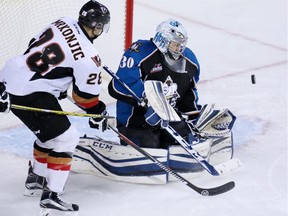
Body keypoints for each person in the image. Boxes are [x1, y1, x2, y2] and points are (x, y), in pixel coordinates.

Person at [0, 0, 110, 214]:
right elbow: (85, 99)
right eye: (101, 27)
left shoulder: (64, 21)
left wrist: (54, 80)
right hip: (28, 93)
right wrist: (98, 112)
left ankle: (36, 179)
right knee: (68, 138)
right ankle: (52, 194)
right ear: (97, 26)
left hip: (10, 75)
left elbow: (34, 45)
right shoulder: (89, 57)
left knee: (51, 134)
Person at [108, 18, 202, 149]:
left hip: (168, 119)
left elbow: (189, 92)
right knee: (150, 144)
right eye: (175, 44)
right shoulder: (140, 52)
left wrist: (194, 117)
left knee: (185, 140)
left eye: (181, 45)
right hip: (135, 120)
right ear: (162, 40)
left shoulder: (190, 60)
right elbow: (118, 86)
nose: (179, 49)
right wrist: (151, 102)